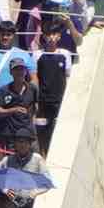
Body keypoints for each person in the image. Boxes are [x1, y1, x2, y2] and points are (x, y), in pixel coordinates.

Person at [33, 18, 73, 153]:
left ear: (59, 36)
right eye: (48, 34)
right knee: (41, 130)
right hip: (43, 101)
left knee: (57, 130)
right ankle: (43, 154)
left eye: (54, 34)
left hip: (59, 100)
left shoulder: (65, 54)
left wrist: (66, 100)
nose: (51, 37)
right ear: (44, 36)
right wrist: (36, 99)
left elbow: (67, 77)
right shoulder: (38, 54)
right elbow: (35, 78)